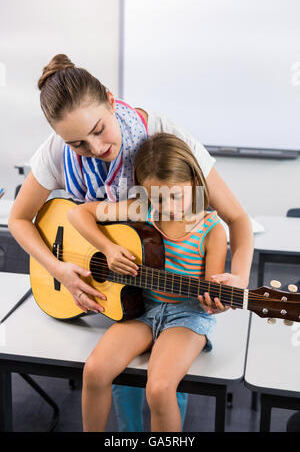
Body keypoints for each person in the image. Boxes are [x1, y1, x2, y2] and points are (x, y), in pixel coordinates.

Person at [8, 54, 253, 430]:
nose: (94, 147)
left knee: (160, 388)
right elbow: (24, 218)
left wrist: (234, 281)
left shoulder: (165, 148)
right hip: (128, 299)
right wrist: (60, 268)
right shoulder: (64, 155)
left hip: (169, 298)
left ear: (110, 100)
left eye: (99, 129)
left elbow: (232, 218)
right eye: (77, 144)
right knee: (105, 376)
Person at [67, 132, 230, 431]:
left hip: (188, 316)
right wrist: (107, 247)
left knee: (159, 388)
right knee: (95, 370)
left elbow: (212, 293)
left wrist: (217, 303)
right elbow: (78, 214)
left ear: (194, 182)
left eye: (175, 196)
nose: (167, 206)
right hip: (143, 309)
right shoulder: (141, 209)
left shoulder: (213, 230)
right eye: (157, 197)